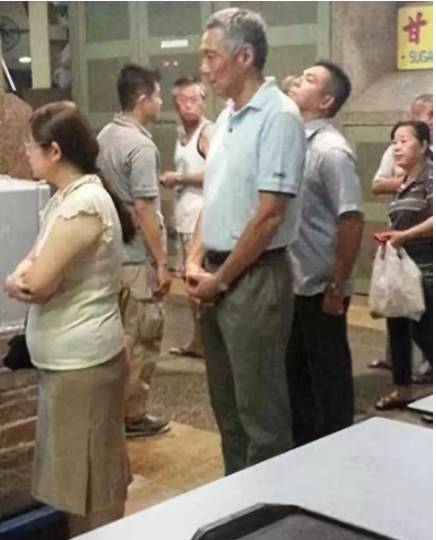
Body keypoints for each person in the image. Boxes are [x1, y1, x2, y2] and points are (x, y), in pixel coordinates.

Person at [4, 101, 135, 536]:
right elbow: (32, 265)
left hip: (85, 363)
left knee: (92, 479)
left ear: (55, 151)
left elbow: (37, 282)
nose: (25, 153)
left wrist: (22, 281)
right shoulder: (65, 198)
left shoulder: (85, 203)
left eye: (30, 146)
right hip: (68, 361)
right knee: (77, 478)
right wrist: (25, 278)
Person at [186, 7, 306, 475]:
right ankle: (236, 498)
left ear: (245, 56)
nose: (203, 68)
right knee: (229, 411)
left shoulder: (278, 117)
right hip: (217, 274)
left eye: (210, 55)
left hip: (254, 277)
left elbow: (269, 215)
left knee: (262, 417)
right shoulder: (227, 119)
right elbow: (213, 199)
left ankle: (269, 508)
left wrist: (220, 281)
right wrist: (195, 260)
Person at [286, 61, 364, 446]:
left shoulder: (331, 151)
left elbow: (351, 219)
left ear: (326, 100)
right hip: (294, 283)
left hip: (320, 286)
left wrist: (337, 283)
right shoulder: (294, 142)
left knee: (328, 378)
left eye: (309, 79)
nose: (297, 80)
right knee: (297, 375)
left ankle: (337, 449)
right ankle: (303, 449)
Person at [97, 64, 171, 438]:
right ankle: (132, 414)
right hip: (136, 258)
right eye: (157, 95)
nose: (161, 101)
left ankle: (111, 411)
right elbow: (144, 210)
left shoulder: (105, 135)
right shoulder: (141, 147)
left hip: (110, 257)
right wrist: (161, 262)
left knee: (116, 339)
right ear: (143, 100)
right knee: (141, 338)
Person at [370, 94, 433, 382]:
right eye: (394, 142)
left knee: (424, 330)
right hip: (403, 267)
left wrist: (403, 235)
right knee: (398, 327)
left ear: (423, 146)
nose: (396, 147)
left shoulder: (430, 177)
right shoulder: (402, 183)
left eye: (404, 141)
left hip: (426, 269)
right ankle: (402, 388)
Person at [160, 77, 213, 358]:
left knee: (200, 283)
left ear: (203, 101)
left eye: (195, 99)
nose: (190, 105)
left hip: (201, 220)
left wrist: (178, 178)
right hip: (185, 218)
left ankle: (209, 343)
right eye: (184, 100)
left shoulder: (207, 133)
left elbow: (216, 173)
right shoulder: (182, 134)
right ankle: (198, 341)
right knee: (190, 285)